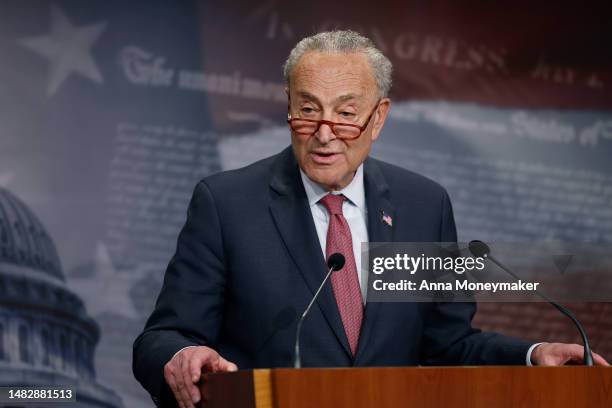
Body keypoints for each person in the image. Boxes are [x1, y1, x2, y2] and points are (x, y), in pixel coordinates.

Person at [133, 30, 608, 408]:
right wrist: (181, 355)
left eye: (345, 115)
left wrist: (531, 356)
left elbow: (448, 343)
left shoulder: (423, 205)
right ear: (289, 107)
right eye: (307, 111)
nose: (324, 134)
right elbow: (160, 338)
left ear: (378, 118)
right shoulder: (227, 204)